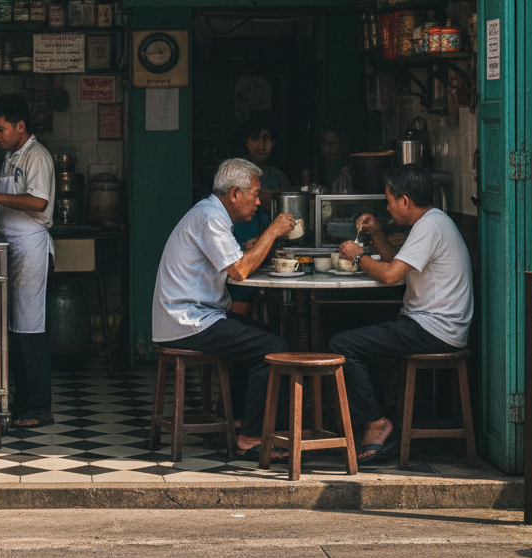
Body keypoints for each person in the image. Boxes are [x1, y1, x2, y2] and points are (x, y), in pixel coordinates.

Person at [151, 158, 296, 460]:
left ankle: (241, 420)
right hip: (188, 321)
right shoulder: (210, 217)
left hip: (193, 316)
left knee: (263, 338)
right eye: (254, 194)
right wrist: (271, 232)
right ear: (234, 194)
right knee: (272, 347)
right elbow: (239, 271)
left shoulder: (210, 214)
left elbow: (232, 260)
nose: (258, 201)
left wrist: (254, 245)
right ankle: (250, 438)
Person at [328, 164, 473, 463]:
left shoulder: (429, 227)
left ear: (405, 201)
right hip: (432, 325)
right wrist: (379, 233)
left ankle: (376, 423)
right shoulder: (432, 222)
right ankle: (377, 418)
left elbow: (390, 275)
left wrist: (358, 256)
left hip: (434, 329)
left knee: (343, 344)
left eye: (389, 201)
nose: (387, 207)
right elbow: (398, 263)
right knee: (356, 334)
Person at [0, 94, 55, 428]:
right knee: (16, 329)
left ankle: (39, 407)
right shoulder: (11, 156)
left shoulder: (37, 155)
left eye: (0, 129)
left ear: (20, 126)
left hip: (31, 247)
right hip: (12, 246)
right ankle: (21, 402)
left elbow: (38, 202)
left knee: (31, 329)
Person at [228, 112, 292, 317]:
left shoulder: (279, 177)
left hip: (268, 253)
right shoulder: (234, 175)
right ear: (246, 141)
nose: (261, 145)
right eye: (255, 138)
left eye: (267, 139)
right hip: (239, 256)